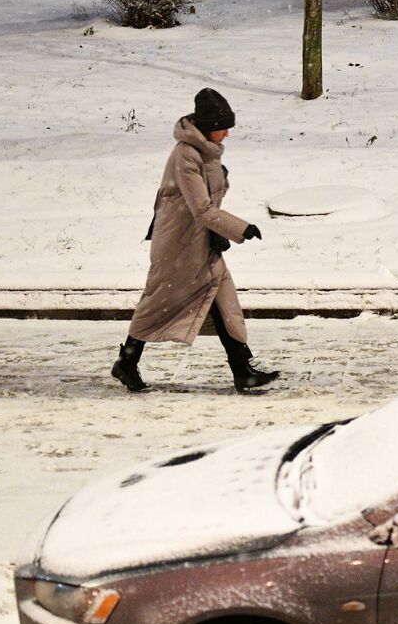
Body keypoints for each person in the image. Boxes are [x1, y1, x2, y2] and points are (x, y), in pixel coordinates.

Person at [111, 88, 279, 394]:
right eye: (223, 127)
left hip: (203, 243)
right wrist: (241, 228)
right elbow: (201, 208)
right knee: (157, 304)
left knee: (224, 302)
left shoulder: (207, 153)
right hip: (178, 247)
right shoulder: (185, 155)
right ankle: (126, 363)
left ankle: (242, 370)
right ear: (207, 126)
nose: (227, 133)